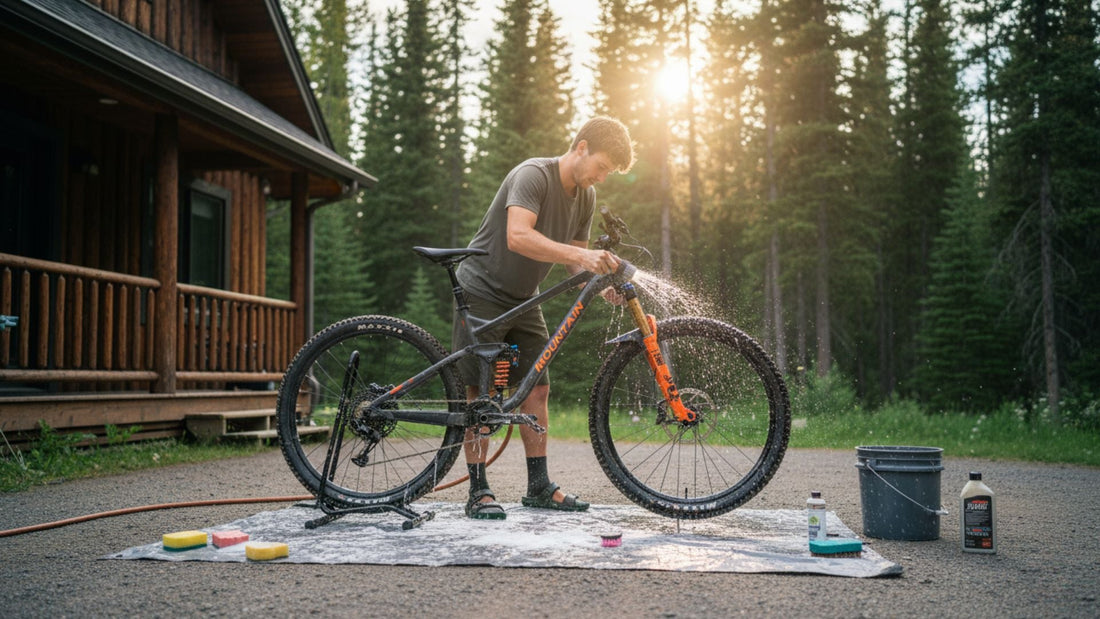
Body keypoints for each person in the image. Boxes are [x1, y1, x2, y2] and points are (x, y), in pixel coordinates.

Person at [453, 116, 635, 520]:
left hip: (525, 297)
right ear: (582, 147)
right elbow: (518, 236)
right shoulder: (533, 175)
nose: (602, 177)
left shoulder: (585, 196)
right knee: (480, 393)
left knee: (537, 389)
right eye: (602, 166)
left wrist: (601, 285)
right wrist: (582, 255)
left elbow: (575, 262)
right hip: (482, 291)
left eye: (609, 172)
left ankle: (538, 486)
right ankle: (478, 490)